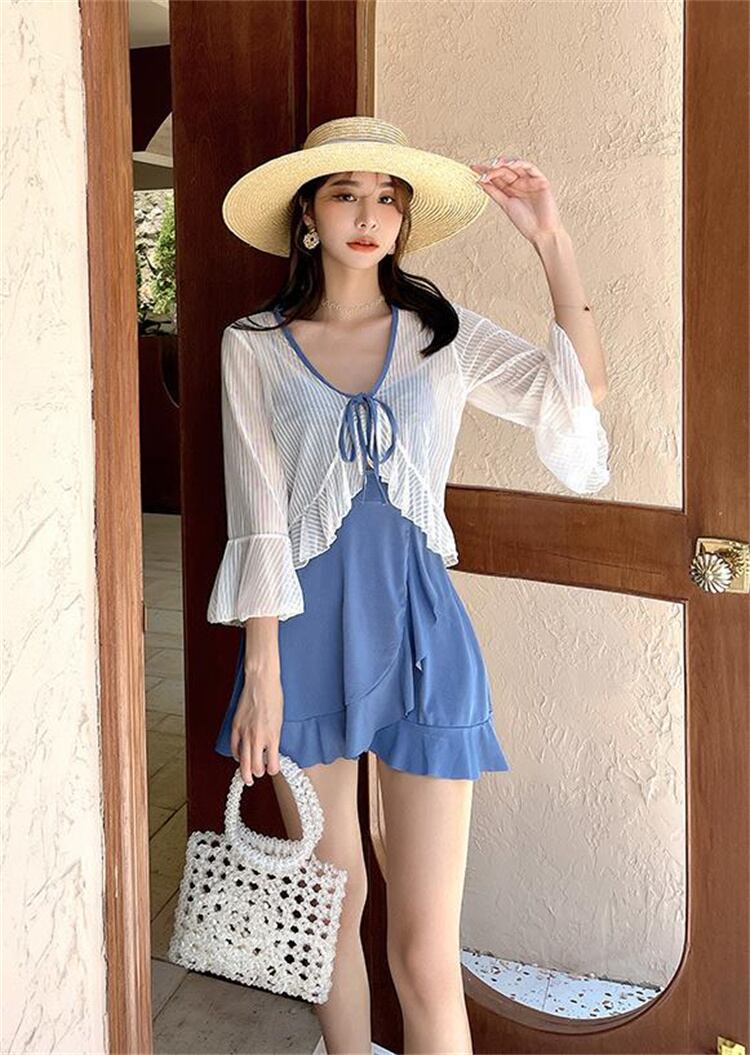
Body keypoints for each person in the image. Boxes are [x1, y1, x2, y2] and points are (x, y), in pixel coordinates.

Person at [206, 116, 610, 1055]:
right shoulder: (254, 345)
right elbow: (257, 517)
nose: (368, 215)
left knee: (426, 951)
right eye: (346, 194)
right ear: (307, 217)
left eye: (387, 198)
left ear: (404, 220)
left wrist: (552, 240)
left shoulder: (443, 335)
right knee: (331, 916)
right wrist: (260, 671)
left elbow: (575, 397)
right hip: (301, 644)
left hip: (426, 638)